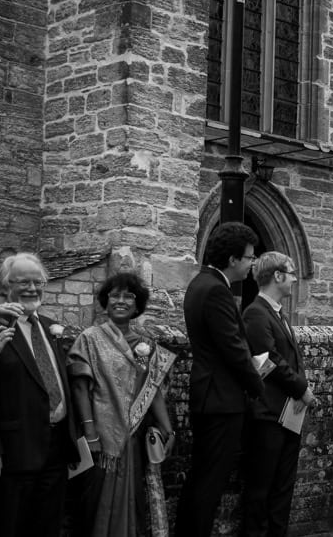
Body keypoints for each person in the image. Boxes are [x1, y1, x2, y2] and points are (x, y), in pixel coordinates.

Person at [0, 253, 80, 537]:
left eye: (38, 281)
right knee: (7, 527)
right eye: (23, 282)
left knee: (46, 527)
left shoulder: (48, 326)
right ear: (6, 287)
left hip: (55, 450)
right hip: (12, 453)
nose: (32, 288)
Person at [69, 272, 177, 537]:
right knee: (97, 504)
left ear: (137, 304)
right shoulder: (89, 338)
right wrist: (91, 432)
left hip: (132, 438)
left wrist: (168, 430)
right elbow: (80, 388)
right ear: (105, 301)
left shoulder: (146, 345)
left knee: (131, 502)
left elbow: (153, 392)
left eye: (128, 296)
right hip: (102, 438)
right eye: (114, 295)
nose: (120, 301)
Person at [175, 222, 266, 537]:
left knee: (202, 478)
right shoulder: (216, 289)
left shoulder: (201, 283)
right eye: (250, 257)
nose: (252, 263)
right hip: (220, 400)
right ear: (232, 259)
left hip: (210, 395)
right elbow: (233, 349)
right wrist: (258, 387)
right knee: (209, 484)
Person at [241, 252, 316, 537]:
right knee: (261, 489)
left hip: (288, 415)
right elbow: (265, 361)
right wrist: (302, 389)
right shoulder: (255, 313)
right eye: (292, 272)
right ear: (277, 276)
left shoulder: (278, 313)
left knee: (283, 487)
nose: (296, 278)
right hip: (268, 414)